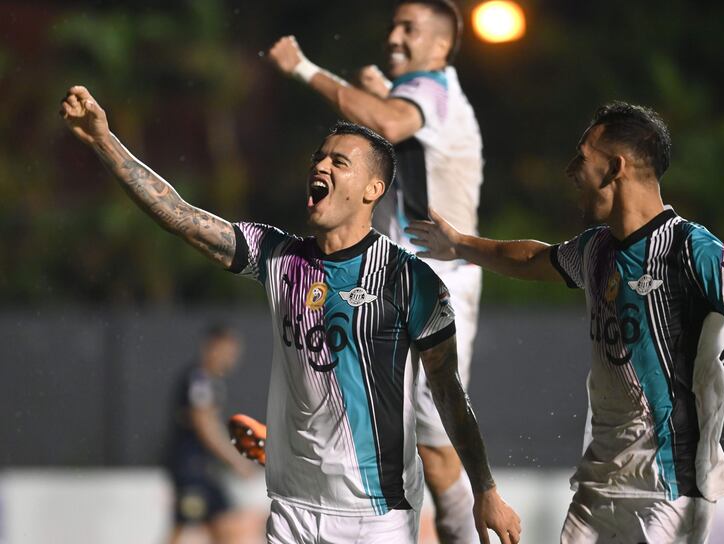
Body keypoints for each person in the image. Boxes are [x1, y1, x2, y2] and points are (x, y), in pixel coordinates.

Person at [59, 85, 521, 544]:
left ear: (372, 190)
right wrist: (103, 139)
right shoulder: (278, 256)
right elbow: (179, 216)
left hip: (376, 516)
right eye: (319, 158)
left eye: (339, 162)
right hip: (292, 511)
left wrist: (485, 489)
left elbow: (449, 395)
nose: (320, 165)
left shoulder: (410, 280)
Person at [406, 102, 724, 543]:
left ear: (615, 167)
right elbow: (533, 257)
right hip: (599, 485)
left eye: (582, 156)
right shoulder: (596, 249)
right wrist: (461, 245)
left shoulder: (691, 249)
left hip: (671, 490)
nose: (570, 169)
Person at [267, 2, 484, 539]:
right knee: (364, 418)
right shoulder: (413, 95)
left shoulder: (433, 88)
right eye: (393, 24)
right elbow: (381, 127)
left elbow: (385, 121)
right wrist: (378, 89)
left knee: (436, 449)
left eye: (409, 27)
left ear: (440, 46)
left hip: (434, 283)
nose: (394, 34)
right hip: (379, 276)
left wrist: (303, 68)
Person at [167, 324, 260, 544]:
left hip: (204, 471)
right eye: (229, 351)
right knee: (182, 529)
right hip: (191, 470)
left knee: (223, 528)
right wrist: (235, 460)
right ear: (212, 347)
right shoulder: (199, 379)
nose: (232, 358)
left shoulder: (211, 382)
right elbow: (205, 425)